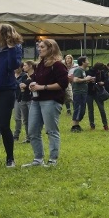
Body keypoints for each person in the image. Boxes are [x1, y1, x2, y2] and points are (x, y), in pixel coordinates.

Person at [24, 38, 69, 166]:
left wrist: (42, 87)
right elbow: (35, 79)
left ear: (51, 49)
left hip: (51, 100)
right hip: (36, 100)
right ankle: (38, 159)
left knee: (51, 130)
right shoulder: (39, 65)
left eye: (42, 47)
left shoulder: (58, 65)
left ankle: (52, 159)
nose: (39, 49)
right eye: (39, 47)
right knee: (32, 130)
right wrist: (32, 84)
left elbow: (63, 84)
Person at [0, 23, 25, 168]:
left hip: (6, 90)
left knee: (3, 125)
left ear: (6, 35)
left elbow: (13, 66)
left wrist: (10, 48)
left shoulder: (15, 49)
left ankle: (10, 158)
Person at [68, 55, 94, 133]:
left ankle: (77, 124)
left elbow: (81, 80)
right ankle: (74, 126)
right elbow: (75, 80)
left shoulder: (83, 71)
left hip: (83, 92)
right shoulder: (78, 70)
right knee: (78, 108)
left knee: (82, 109)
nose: (88, 62)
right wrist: (86, 79)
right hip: (78, 92)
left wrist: (88, 80)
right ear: (83, 62)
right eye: (87, 60)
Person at [14, 61, 34, 145]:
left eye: (25, 65)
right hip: (22, 99)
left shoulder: (30, 76)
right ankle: (28, 137)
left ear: (30, 66)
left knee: (31, 119)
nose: (23, 67)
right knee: (25, 120)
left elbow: (23, 86)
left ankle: (33, 136)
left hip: (31, 99)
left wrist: (24, 85)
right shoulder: (27, 77)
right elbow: (21, 86)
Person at [86, 59, 109, 130]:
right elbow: (84, 80)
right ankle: (92, 124)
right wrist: (89, 80)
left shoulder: (101, 72)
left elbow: (107, 80)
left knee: (101, 109)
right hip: (89, 92)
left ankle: (105, 124)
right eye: (99, 70)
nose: (100, 71)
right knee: (90, 109)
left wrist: (103, 83)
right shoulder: (88, 72)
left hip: (98, 92)